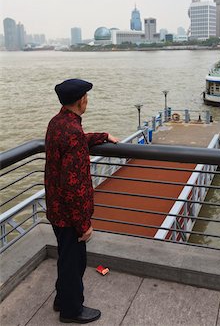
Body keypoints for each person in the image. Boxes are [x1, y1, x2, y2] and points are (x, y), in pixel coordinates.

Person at [44, 78, 118, 324]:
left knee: (66, 258)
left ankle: (61, 300)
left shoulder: (57, 123)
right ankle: (72, 310)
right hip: (69, 214)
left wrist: (101, 136)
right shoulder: (72, 132)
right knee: (74, 262)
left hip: (55, 208)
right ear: (81, 100)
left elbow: (75, 142)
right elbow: (74, 186)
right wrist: (83, 223)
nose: (88, 100)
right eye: (86, 97)